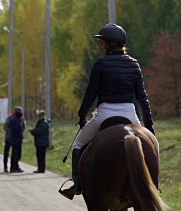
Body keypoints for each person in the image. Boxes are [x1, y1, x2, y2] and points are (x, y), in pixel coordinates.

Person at [60, 23, 155, 200]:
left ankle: (77, 184)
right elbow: (142, 98)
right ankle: (154, 186)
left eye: (101, 42)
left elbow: (90, 95)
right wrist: (149, 126)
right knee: (152, 146)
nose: (99, 46)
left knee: (78, 145)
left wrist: (82, 115)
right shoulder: (134, 65)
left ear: (109, 44)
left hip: (104, 113)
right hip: (129, 114)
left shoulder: (100, 64)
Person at [2, 106, 25, 172]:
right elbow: (5, 127)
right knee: (9, 153)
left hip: (14, 137)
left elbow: (23, 126)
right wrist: (11, 133)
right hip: (10, 138)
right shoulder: (11, 118)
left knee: (15, 153)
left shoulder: (20, 118)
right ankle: (7, 167)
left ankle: (14, 167)